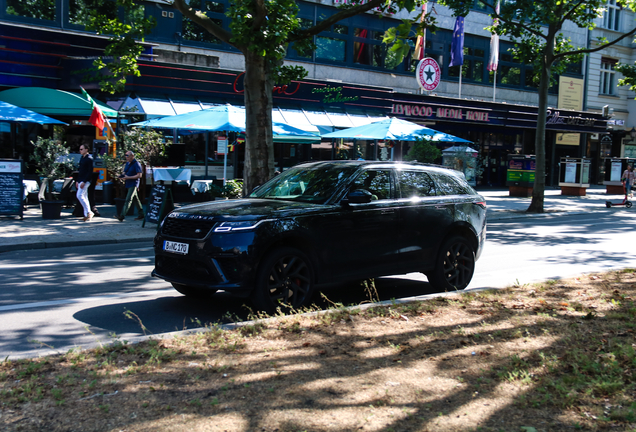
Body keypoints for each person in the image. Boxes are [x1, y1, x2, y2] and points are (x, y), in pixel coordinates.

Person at [115, 151, 145, 222]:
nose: (126, 157)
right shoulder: (127, 164)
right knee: (135, 199)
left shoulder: (136, 164)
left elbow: (139, 175)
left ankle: (122, 216)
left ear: (132, 156)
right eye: (125, 155)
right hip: (128, 183)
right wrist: (120, 176)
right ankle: (142, 214)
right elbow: (125, 173)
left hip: (133, 184)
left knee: (128, 200)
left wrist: (128, 177)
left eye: (127, 156)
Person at [76, 144, 94, 222]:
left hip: (85, 180)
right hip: (81, 179)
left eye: (82, 149)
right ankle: (86, 214)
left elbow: (90, 172)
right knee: (84, 196)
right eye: (80, 149)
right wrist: (77, 180)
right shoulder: (82, 158)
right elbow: (80, 170)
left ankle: (88, 212)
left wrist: (84, 181)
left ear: (86, 149)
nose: (80, 151)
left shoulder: (89, 159)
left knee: (79, 195)